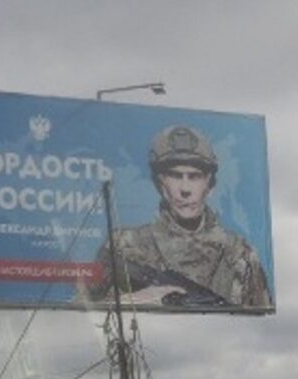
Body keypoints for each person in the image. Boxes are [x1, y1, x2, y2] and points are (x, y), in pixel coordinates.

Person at [88, 125, 271, 308]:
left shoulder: (239, 254)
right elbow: (81, 312)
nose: (185, 189)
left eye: (195, 176)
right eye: (175, 175)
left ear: (210, 185)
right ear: (160, 184)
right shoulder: (123, 246)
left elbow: (262, 320)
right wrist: (132, 301)